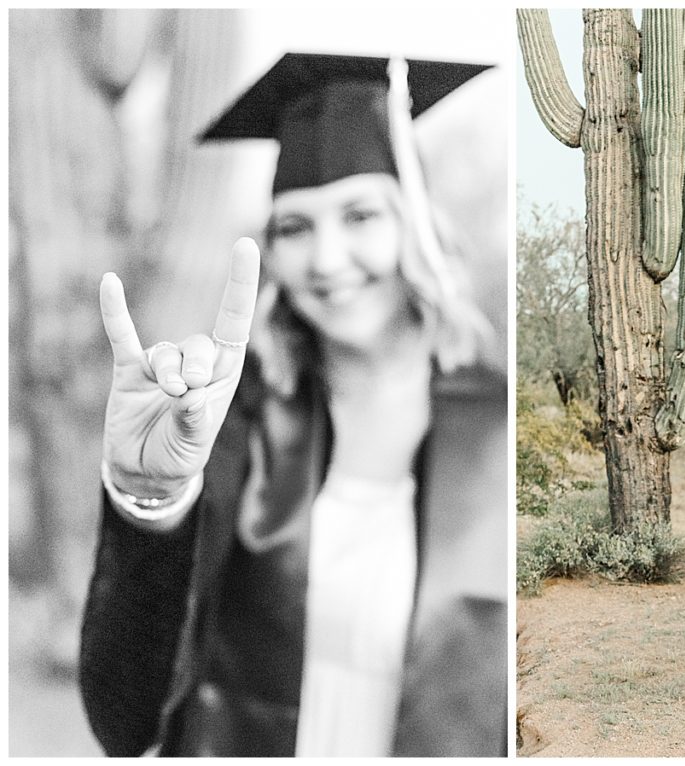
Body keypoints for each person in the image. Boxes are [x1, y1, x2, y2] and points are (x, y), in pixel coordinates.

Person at [79, 53, 506, 756]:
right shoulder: (230, 416)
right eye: (294, 228)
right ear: (270, 253)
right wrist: (146, 496)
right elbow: (125, 719)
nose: (328, 260)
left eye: (360, 215)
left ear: (416, 226)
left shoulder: (497, 421)